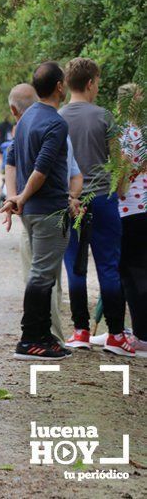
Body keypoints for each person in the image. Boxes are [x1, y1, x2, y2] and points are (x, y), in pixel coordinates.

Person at [57, 58, 133, 356]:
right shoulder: (104, 117)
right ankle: (115, 334)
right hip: (102, 199)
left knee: (75, 267)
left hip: (69, 201)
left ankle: (80, 331)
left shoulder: (58, 117)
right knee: (108, 266)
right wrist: (122, 189)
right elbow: (119, 161)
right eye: (98, 82)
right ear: (90, 83)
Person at [0, 62, 73, 360]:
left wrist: (15, 196)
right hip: (47, 211)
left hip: (31, 211)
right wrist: (22, 197)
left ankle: (44, 336)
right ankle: (29, 339)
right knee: (42, 276)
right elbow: (41, 169)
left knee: (41, 275)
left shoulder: (27, 117)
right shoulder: (56, 123)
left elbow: (12, 156)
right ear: (58, 86)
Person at [113, 82, 147, 356]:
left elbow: (123, 168)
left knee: (130, 271)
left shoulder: (127, 132)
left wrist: (118, 189)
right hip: (144, 208)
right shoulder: (144, 132)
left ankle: (139, 335)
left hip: (130, 209)